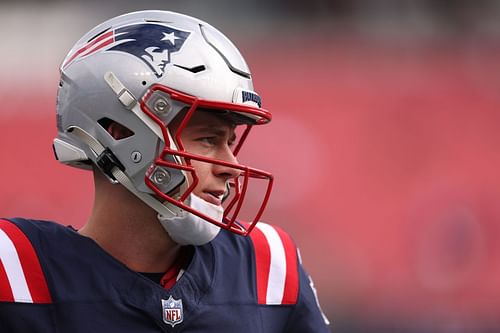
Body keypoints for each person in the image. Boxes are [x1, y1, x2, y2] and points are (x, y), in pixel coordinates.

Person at [0, 10, 330, 332]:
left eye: (230, 142)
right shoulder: (16, 270)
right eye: (207, 139)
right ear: (119, 133)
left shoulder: (266, 266)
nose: (230, 166)